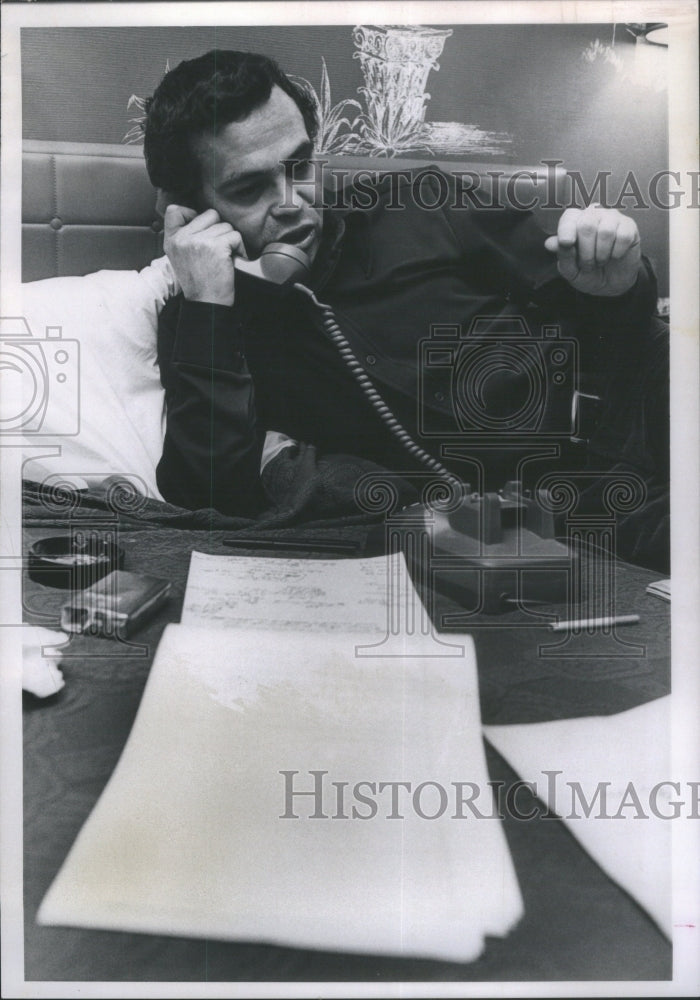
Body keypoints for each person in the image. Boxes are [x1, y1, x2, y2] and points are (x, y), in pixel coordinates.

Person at [144, 49, 668, 570]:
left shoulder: (422, 200)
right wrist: (210, 307)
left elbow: (612, 321)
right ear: (188, 210)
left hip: (651, 404)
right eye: (248, 188)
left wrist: (620, 282)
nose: (291, 201)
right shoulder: (205, 320)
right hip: (567, 505)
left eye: (300, 164)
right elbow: (206, 498)